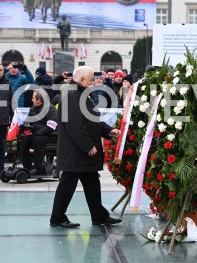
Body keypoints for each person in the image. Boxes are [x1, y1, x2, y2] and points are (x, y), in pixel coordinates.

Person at [50, 66, 122, 228]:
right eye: (90, 80)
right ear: (81, 80)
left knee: (92, 185)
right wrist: (88, 146)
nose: (93, 84)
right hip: (75, 153)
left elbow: (92, 121)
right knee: (67, 186)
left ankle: (99, 216)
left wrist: (109, 131)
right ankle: (57, 218)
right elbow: (75, 125)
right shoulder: (70, 96)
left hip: (80, 154)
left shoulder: (81, 95)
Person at [21, 90, 58, 174]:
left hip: (52, 136)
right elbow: (27, 121)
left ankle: (39, 167)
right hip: (37, 134)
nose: (32, 100)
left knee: (37, 140)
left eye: (33, 98)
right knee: (23, 139)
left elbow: (51, 126)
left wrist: (37, 133)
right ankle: (27, 167)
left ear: (39, 100)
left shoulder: (50, 109)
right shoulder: (32, 108)